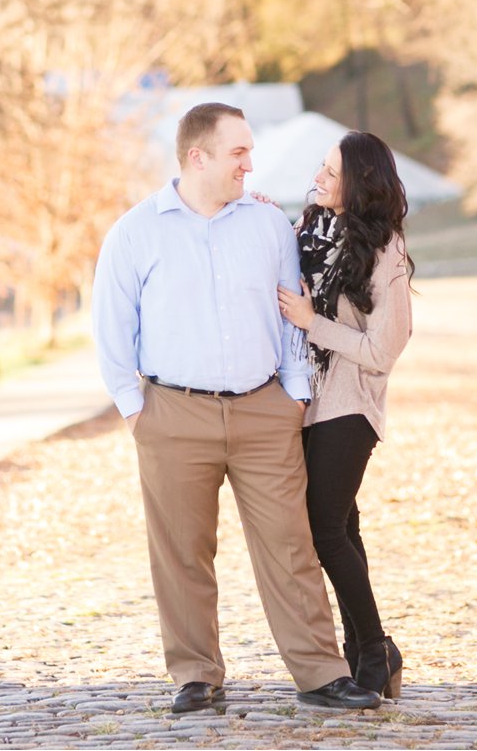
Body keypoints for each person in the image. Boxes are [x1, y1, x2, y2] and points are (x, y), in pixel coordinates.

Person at [91, 102, 381, 716]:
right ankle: (196, 676)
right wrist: (134, 409)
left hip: (264, 412)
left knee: (291, 545)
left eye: (250, 151)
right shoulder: (135, 232)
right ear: (198, 158)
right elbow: (112, 328)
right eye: (238, 153)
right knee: (182, 551)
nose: (251, 164)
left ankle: (321, 674)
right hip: (172, 414)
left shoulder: (267, 225)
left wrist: (295, 393)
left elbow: (288, 310)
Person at [277, 130, 413, 702]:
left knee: (324, 529)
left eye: (332, 172)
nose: (320, 177)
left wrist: (314, 323)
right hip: (308, 402)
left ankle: (374, 648)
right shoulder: (309, 231)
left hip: (351, 405)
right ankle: (370, 653)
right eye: (321, 167)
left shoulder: (386, 250)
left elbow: (384, 349)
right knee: (343, 527)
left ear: (358, 181)